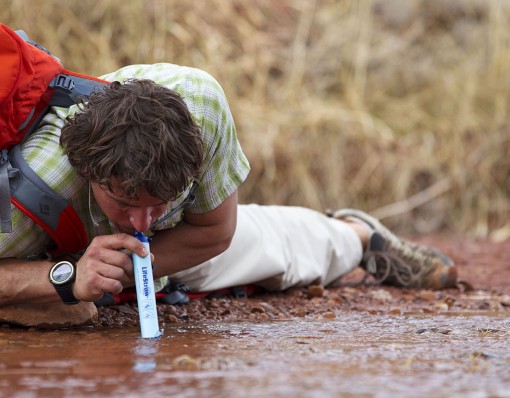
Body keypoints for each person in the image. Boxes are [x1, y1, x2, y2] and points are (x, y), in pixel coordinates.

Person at [0, 63, 457, 324]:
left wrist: (141, 262)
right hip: (41, 246)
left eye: (158, 202)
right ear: (85, 173)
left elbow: (216, 231)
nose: (143, 223)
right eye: (124, 202)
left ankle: (357, 235)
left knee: (274, 249)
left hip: (179, 242)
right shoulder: (30, 191)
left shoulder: (201, 105)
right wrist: (64, 277)